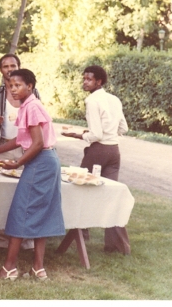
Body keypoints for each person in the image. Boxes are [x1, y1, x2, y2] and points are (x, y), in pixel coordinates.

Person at [0, 69, 64, 281]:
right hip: (47, 162)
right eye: (10, 86)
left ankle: (9, 268)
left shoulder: (32, 106)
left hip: (41, 162)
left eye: (18, 85)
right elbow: (21, 140)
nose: (13, 89)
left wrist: (17, 163)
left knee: (21, 213)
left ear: (30, 86)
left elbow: (37, 143)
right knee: (41, 213)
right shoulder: (28, 106)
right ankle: (38, 269)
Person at [62, 65, 130, 254]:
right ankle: (117, 246)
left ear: (99, 81)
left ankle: (81, 234)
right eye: (84, 79)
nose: (85, 82)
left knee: (81, 190)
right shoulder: (114, 99)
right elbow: (123, 128)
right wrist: (97, 133)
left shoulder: (91, 100)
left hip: (98, 151)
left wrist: (79, 135)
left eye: (89, 79)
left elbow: (96, 134)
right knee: (111, 195)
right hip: (114, 151)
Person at [0, 53, 40, 250]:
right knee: (2, 194)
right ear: (0, 70)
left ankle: (25, 238)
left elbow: (37, 129)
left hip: (27, 149)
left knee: (25, 192)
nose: (9, 69)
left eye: (13, 65)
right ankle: (1, 238)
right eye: (5, 66)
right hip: (3, 147)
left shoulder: (33, 94)